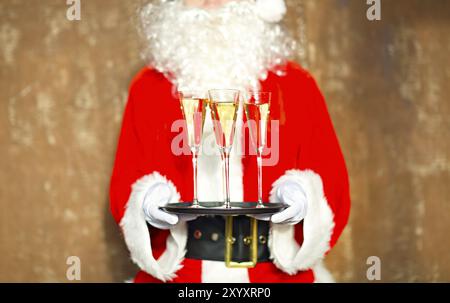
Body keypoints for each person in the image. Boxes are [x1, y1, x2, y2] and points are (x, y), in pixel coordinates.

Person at [110, 0, 350, 283]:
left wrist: (302, 196)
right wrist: (147, 202)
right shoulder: (148, 89)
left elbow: (332, 185)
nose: (212, 2)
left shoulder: (296, 86)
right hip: (183, 276)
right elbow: (127, 183)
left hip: (272, 275)